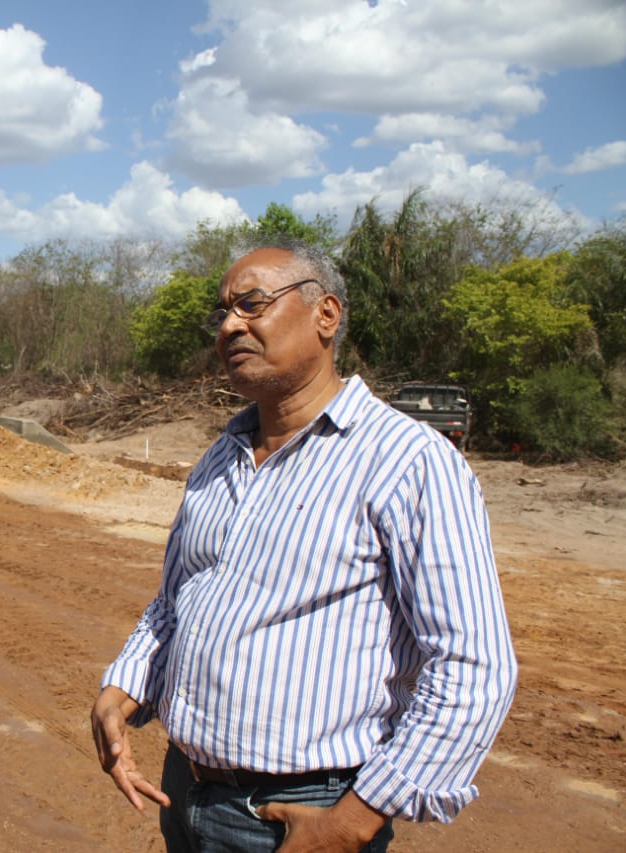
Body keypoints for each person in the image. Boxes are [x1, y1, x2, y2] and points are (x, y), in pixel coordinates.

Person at [90, 237, 517, 853]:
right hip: (185, 792)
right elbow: (175, 602)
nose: (230, 326)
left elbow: (473, 667)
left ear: (326, 315)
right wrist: (123, 688)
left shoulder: (408, 462)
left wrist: (352, 823)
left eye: (252, 303)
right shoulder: (219, 458)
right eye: (222, 313)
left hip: (301, 814)